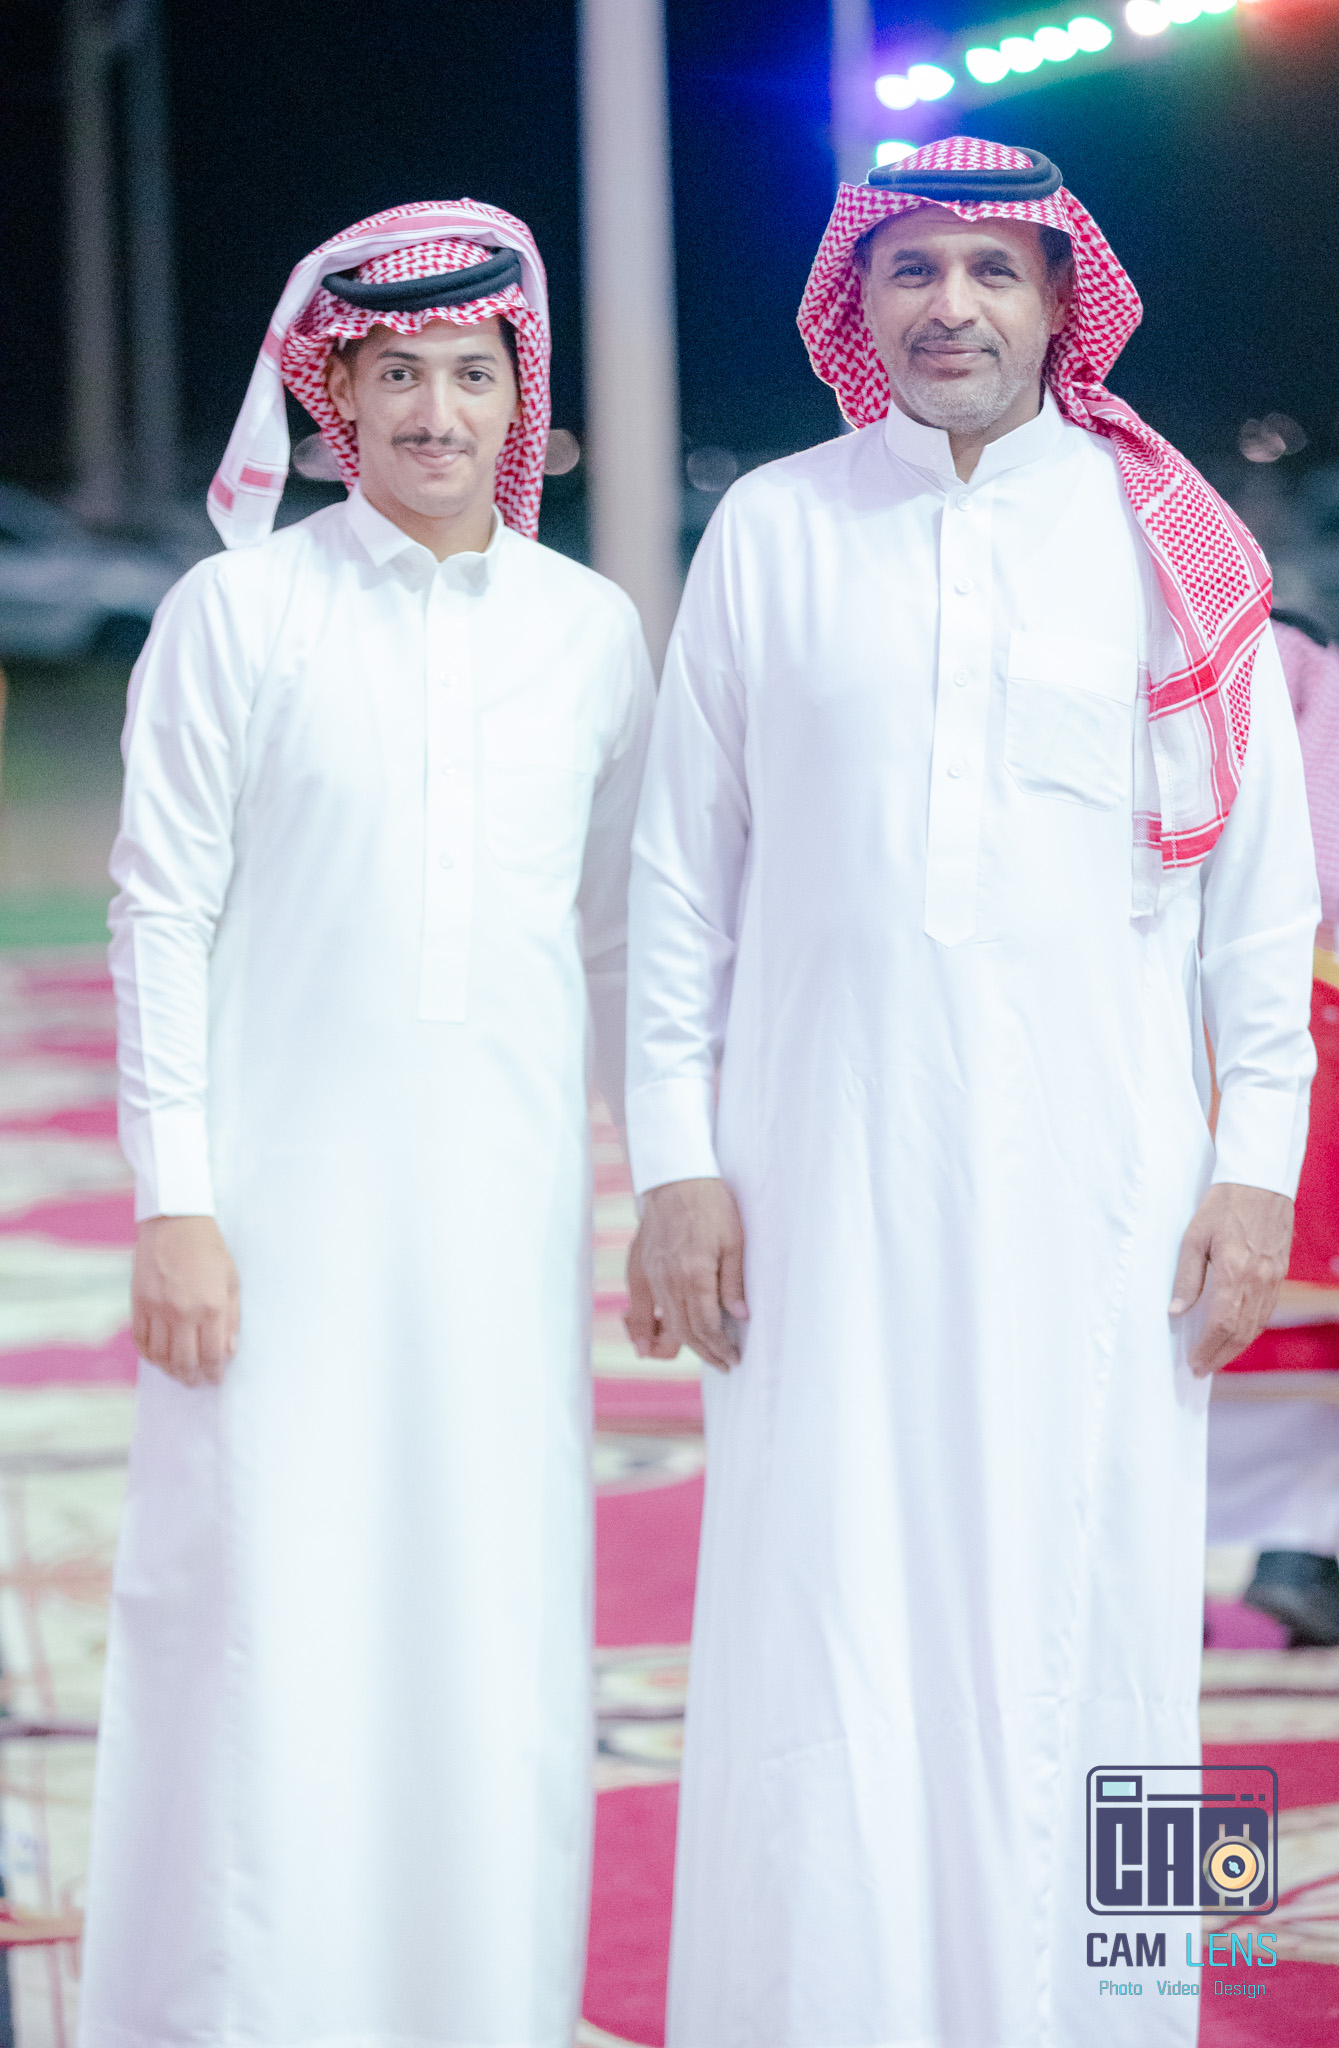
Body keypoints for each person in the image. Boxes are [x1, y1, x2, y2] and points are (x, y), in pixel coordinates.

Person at [624, 139, 1318, 2046]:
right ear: (860, 299)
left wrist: (1255, 1167)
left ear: (1059, 298)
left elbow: (1260, 905)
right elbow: (681, 883)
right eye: (913, 268)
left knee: (1115, 1621)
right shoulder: (773, 527)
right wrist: (674, 1162)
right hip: (816, 1174)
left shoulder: (1171, 543)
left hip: (1107, 1187)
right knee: (825, 1613)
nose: (953, 305)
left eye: (992, 270)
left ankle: (1125, 2012)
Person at [80, 202, 653, 2047]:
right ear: (335, 402)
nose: (434, 412)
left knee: (487, 1619)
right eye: (397, 374)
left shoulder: (587, 632)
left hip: (502, 1227)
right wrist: (176, 1201)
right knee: (269, 1617)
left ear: (520, 399)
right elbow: (158, 912)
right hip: (270, 1229)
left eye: (471, 374)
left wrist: (663, 1183)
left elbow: (617, 936)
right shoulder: (239, 611)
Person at [1207, 609, 1339, 1646]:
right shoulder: (1306, 663)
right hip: (1319, 985)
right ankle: (1297, 1556)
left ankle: (1139, 1576)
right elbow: (1333, 866)